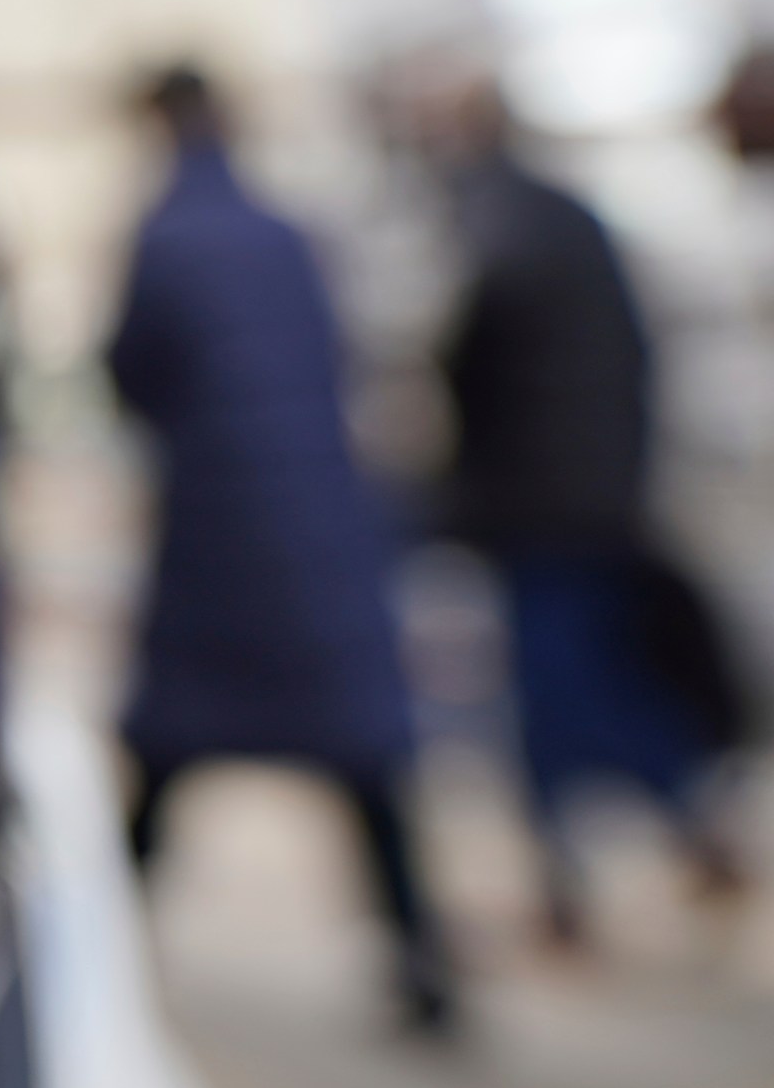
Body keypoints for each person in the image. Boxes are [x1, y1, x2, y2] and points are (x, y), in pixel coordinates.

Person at [108, 67, 454, 1032]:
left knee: (165, 751)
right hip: (320, 525)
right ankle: (424, 966)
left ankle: (97, 958)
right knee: (365, 755)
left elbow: (128, 372)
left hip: (216, 536)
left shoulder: (163, 235)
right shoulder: (292, 232)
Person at [417, 63, 736, 943]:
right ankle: (651, 839)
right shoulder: (566, 217)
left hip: (541, 507)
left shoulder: (497, 224)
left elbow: (463, 350)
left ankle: (582, 874)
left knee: (559, 696)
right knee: (587, 681)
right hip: (594, 495)